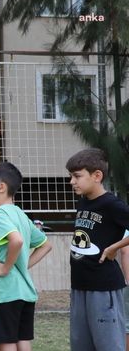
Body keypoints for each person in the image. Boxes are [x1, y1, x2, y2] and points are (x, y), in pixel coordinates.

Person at [0, 162, 52, 351]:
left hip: (4, 293)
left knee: (7, 342)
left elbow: (17, 241)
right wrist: (21, 265)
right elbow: (46, 245)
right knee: (22, 340)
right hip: (25, 293)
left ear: (1, 187)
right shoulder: (20, 214)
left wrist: (5, 268)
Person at [66, 148, 129, 351]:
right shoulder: (83, 201)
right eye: (71, 176)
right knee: (81, 345)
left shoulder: (112, 204)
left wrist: (114, 248)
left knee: (108, 346)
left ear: (97, 176)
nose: (72, 182)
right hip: (80, 286)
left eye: (77, 176)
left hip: (104, 288)